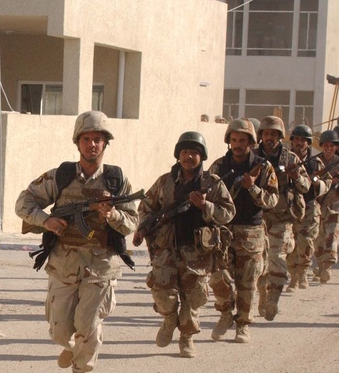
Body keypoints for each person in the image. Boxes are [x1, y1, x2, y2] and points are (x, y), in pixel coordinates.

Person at [15, 111, 138, 373]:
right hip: (64, 263)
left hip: (100, 267)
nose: (92, 145)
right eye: (86, 139)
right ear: (77, 142)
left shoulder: (117, 180)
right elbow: (24, 202)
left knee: (89, 324)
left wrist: (113, 214)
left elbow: (132, 223)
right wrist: (45, 221)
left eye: (98, 139)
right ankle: (69, 347)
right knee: (59, 329)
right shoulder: (61, 176)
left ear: (106, 144)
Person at [132, 132, 234, 358]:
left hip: (197, 250)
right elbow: (147, 206)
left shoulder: (212, 183)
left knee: (193, 298)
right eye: (185, 152)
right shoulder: (164, 182)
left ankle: (186, 338)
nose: (189, 157)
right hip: (165, 248)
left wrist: (206, 206)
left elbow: (228, 212)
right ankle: (169, 319)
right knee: (161, 292)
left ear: (202, 156)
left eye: (194, 153)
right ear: (178, 155)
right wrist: (142, 228)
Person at [208, 118, 279, 343]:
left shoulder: (263, 167)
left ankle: (243, 325)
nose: (237, 144)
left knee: (247, 282)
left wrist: (254, 188)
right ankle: (226, 314)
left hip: (252, 231)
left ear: (251, 141)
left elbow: (272, 200)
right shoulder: (218, 167)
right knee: (218, 277)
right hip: (223, 230)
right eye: (234, 140)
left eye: (242, 140)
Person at [254, 116, 309, 320]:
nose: (269, 137)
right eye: (266, 133)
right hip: (257, 218)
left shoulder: (291, 159)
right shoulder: (252, 157)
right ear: (261, 135)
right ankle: (262, 293)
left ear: (279, 136)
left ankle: (273, 299)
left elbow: (306, 186)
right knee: (258, 262)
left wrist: (296, 177)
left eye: (274, 134)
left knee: (277, 259)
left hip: (282, 217)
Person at [286, 125, 324, 290]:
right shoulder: (284, 159)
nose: (299, 143)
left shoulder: (316, 162)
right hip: (289, 207)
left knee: (306, 242)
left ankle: (302, 272)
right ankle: (293, 275)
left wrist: (316, 182)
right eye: (296, 139)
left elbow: (326, 183)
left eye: (303, 140)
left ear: (308, 143)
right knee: (289, 243)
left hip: (309, 207)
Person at [313, 129, 339, 283]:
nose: (328, 148)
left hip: (335, 204)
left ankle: (328, 266)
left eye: (332, 145)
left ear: (336, 147)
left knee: (332, 234)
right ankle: (321, 265)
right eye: (326, 145)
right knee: (318, 238)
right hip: (318, 204)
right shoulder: (315, 162)